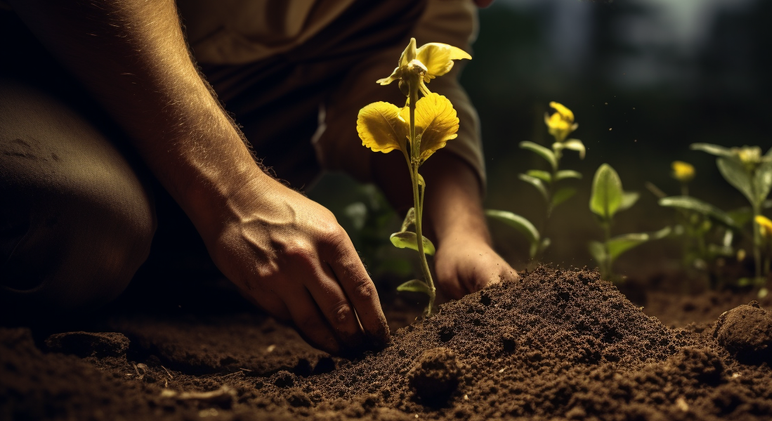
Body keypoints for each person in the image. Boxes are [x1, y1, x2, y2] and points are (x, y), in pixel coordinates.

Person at [0, 0, 516, 353]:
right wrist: (233, 193)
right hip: (37, 77)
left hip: (174, 193)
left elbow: (404, 96)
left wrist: (461, 234)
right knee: (72, 219)